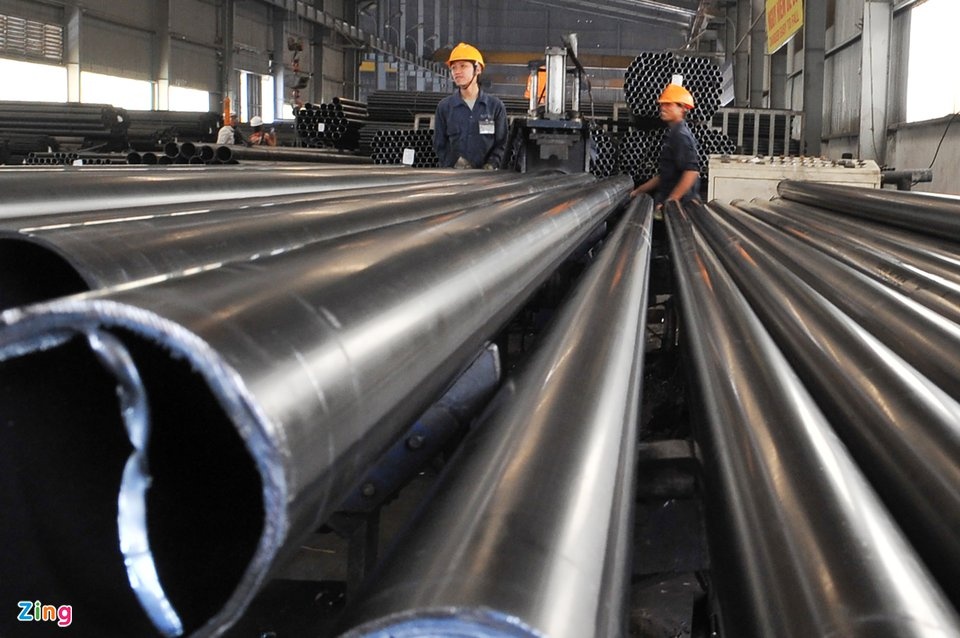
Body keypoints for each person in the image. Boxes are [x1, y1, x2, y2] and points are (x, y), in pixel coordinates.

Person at [434, 42, 508, 169]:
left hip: (487, 177)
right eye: (453, 68)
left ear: (477, 69)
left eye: (463, 66)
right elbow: (440, 145)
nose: (457, 72)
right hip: (454, 176)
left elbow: (502, 144)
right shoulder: (445, 108)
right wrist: (454, 162)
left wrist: (491, 164)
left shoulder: (495, 107)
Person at [632, 83, 701, 207]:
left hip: (680, 206)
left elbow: (691, 172)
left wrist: (671, 201)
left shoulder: (680, 136)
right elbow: (665, 175)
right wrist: (639, 190)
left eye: (668, 104)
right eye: (662, 104)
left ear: (682, 108)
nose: (662, 108)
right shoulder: (673, 134)